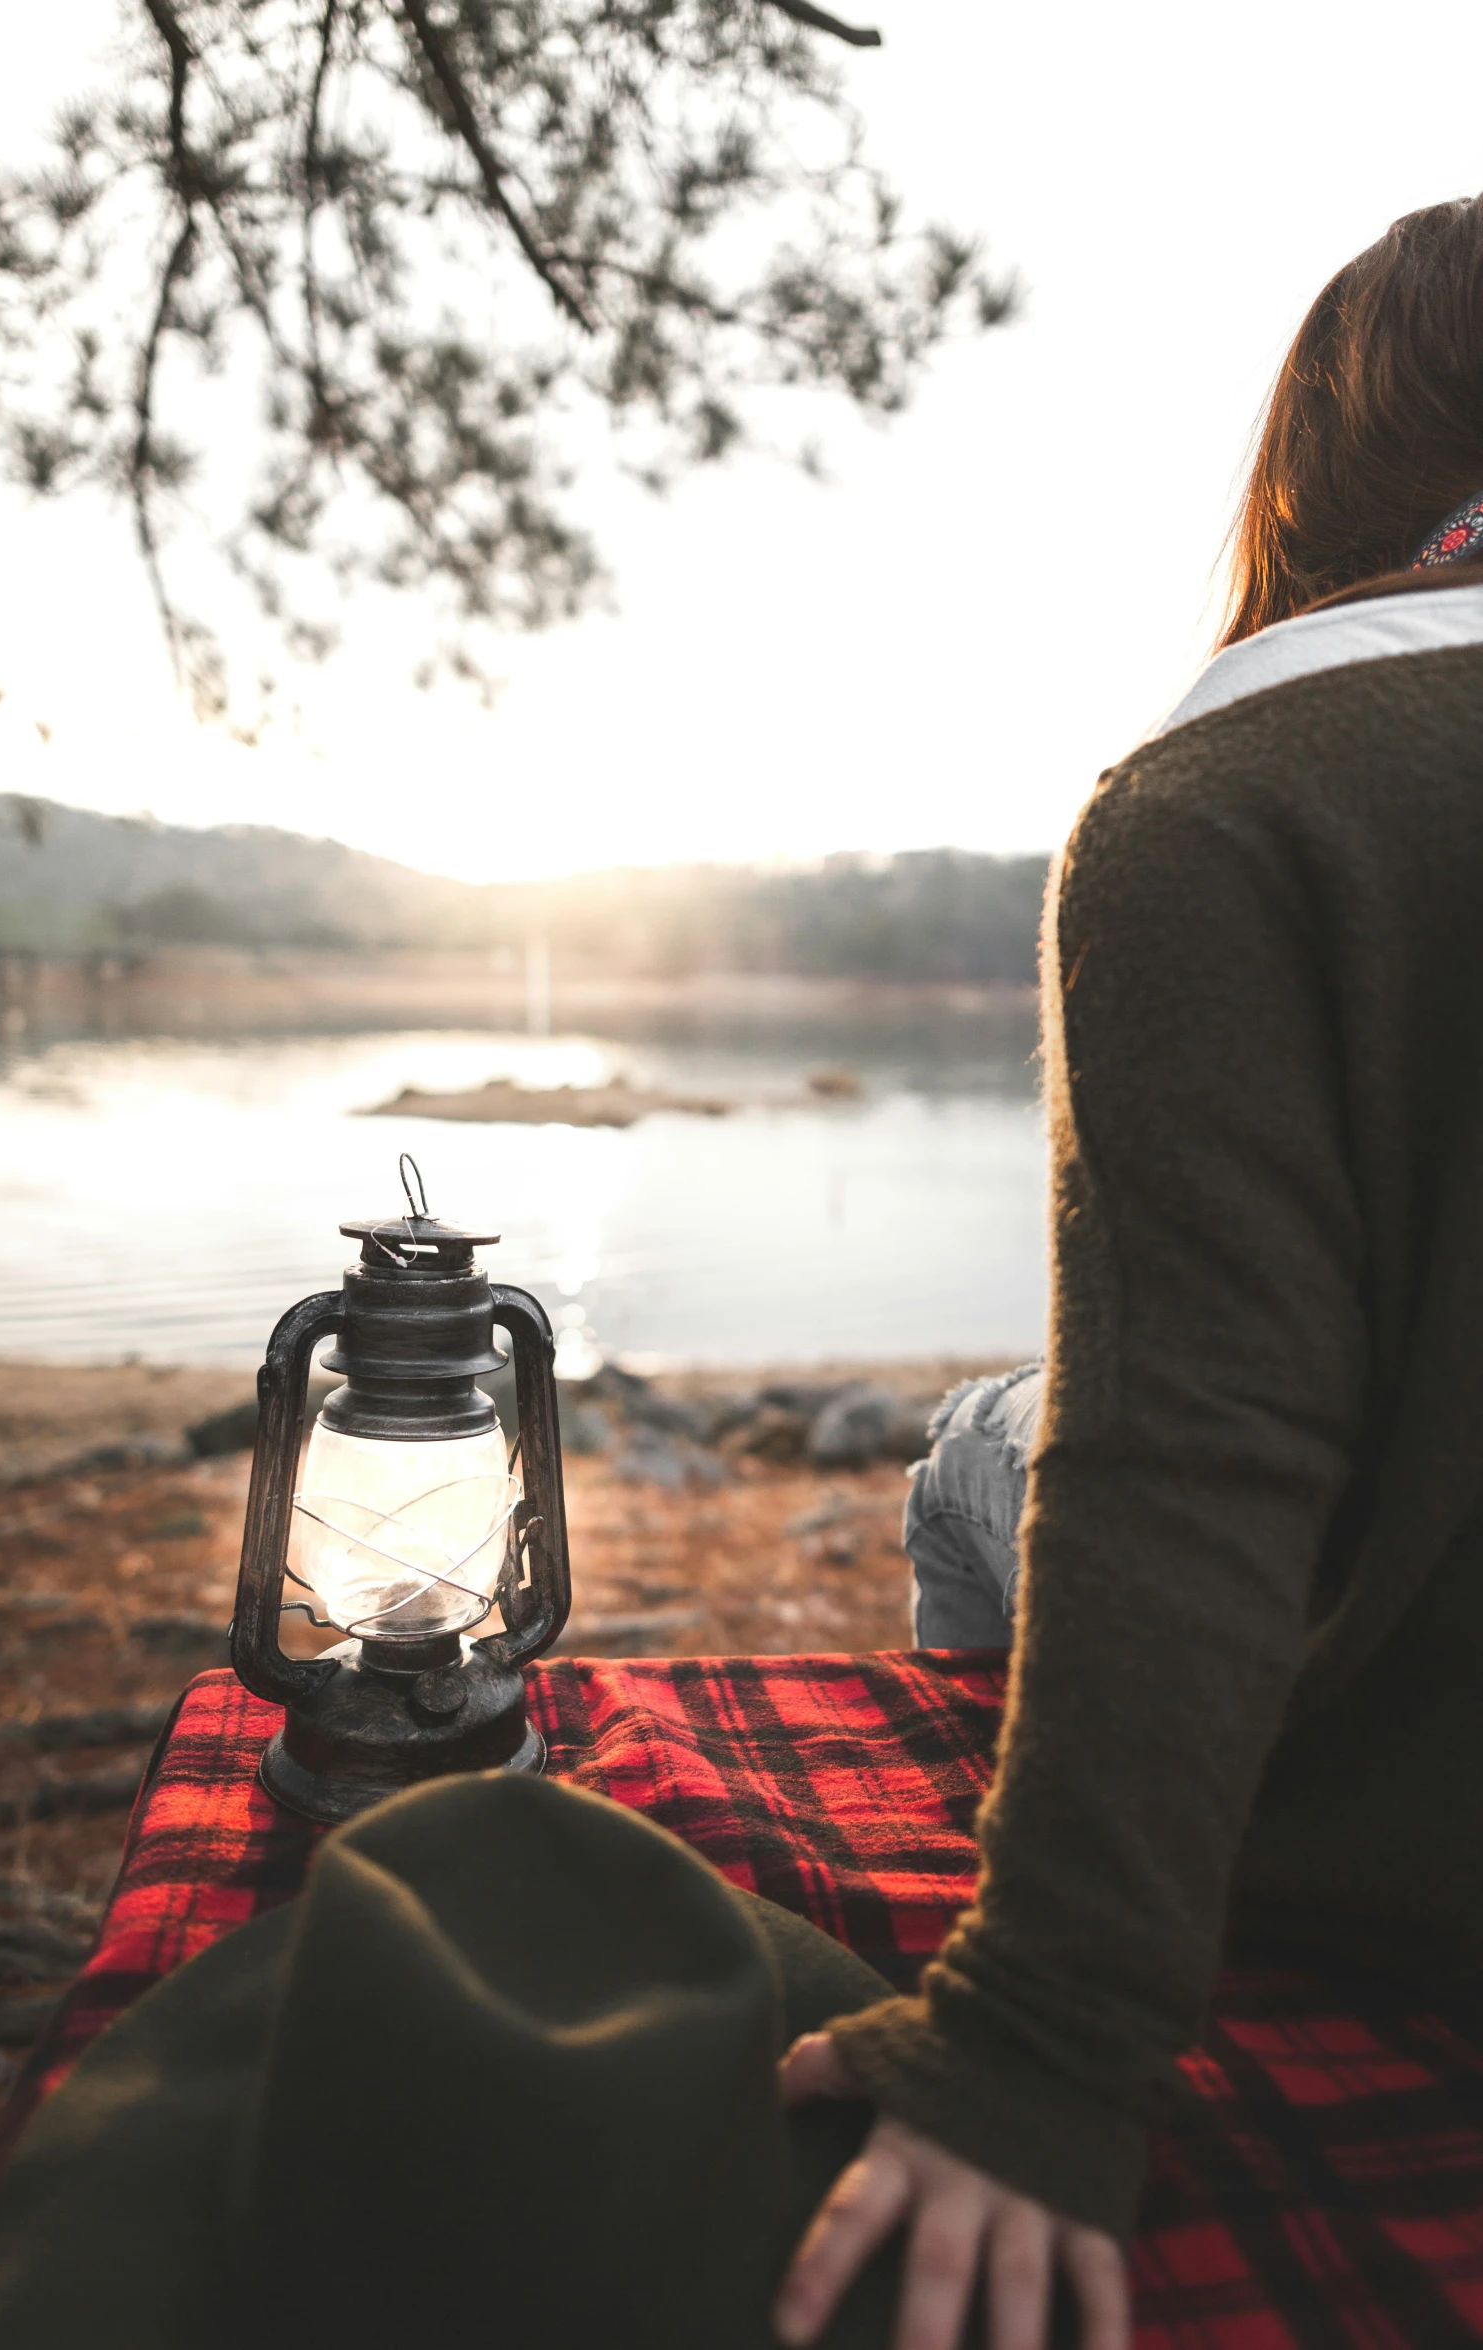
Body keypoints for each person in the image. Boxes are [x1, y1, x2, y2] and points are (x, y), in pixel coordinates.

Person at [773, 193, 1483, 2350]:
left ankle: (1021, 1855)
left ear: (1321, 472)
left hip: (1395, 1846)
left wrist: (1043, 2046)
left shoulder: (1232, 802)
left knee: (995, 1447)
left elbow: (1197, 1442)